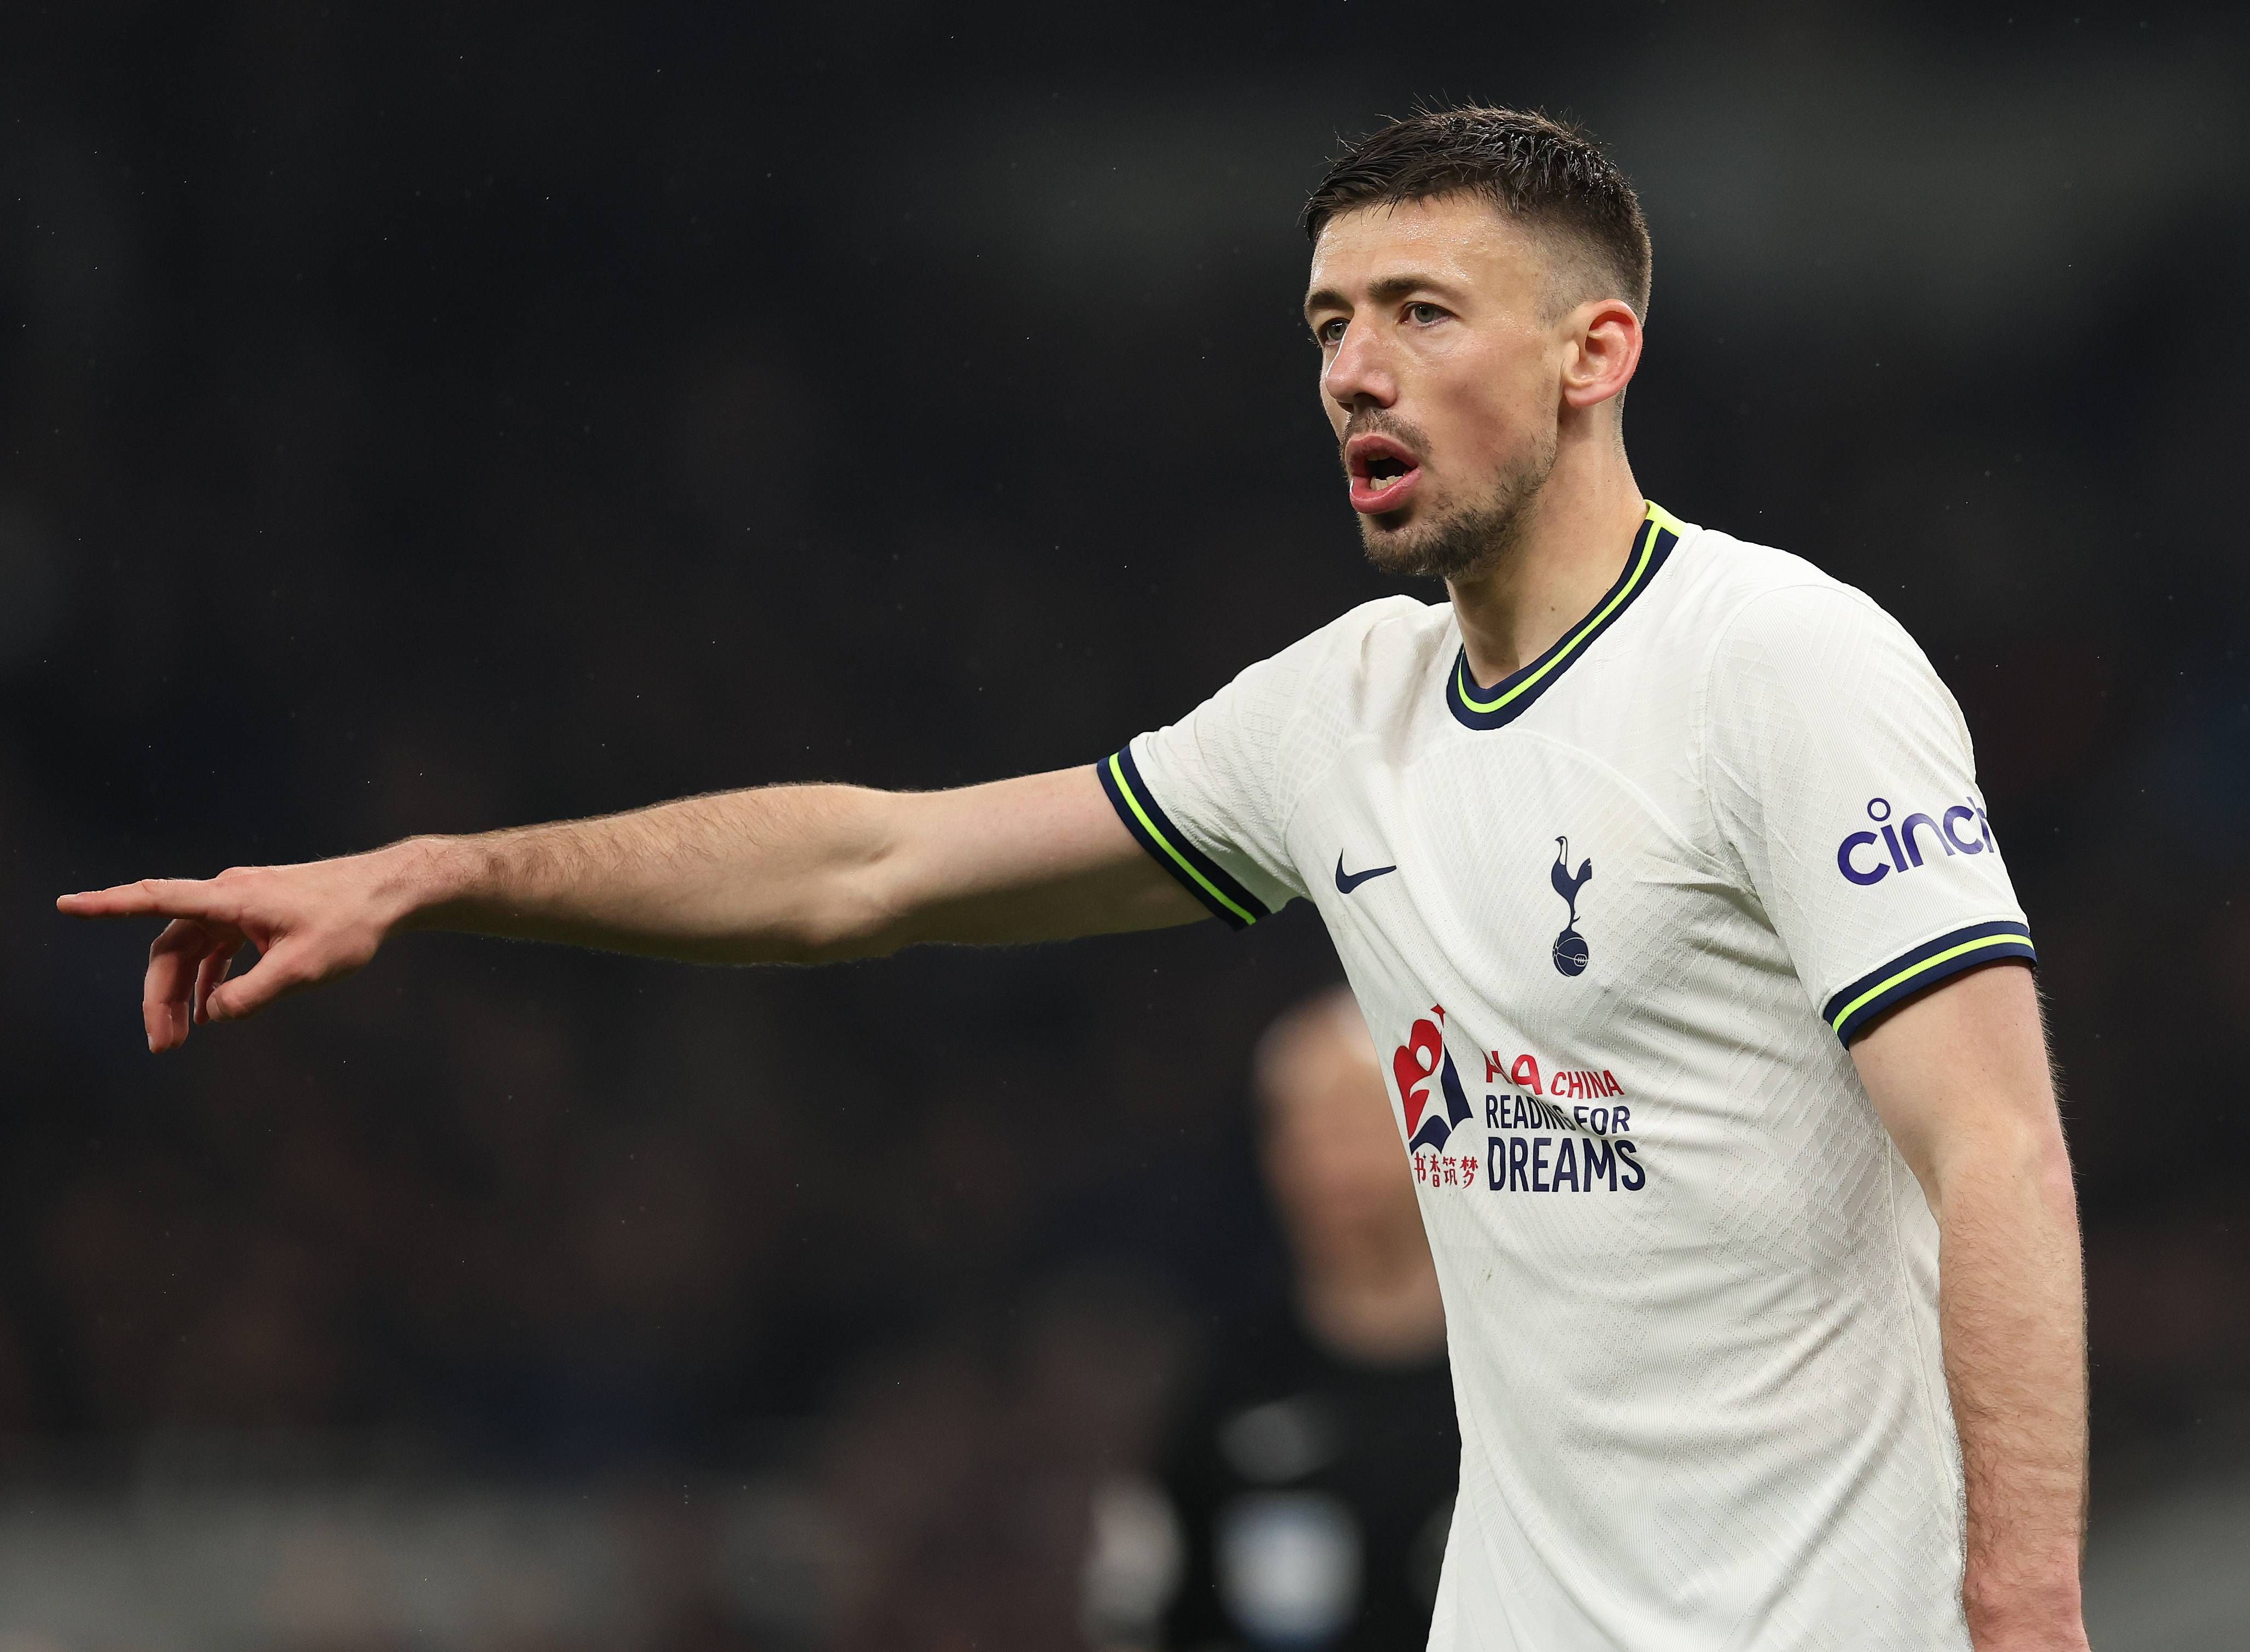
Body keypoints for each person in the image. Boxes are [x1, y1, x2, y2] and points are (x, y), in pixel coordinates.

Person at [59, 107, 2088, 1650]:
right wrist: (447, 870)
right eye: (1325, 324)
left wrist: (2028, 1616)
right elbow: (874, 861)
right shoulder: (1337, 717)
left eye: (1418, 314)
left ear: (1594, 351)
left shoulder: (1783, 666)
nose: (1351, 372)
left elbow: (1993, 1144)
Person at [1135, 987, 1456, 1650]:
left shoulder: (1524, 1379)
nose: (1326, 1164)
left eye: (1356, 1124)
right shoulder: (1226, 1387)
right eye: (1298, 1129)